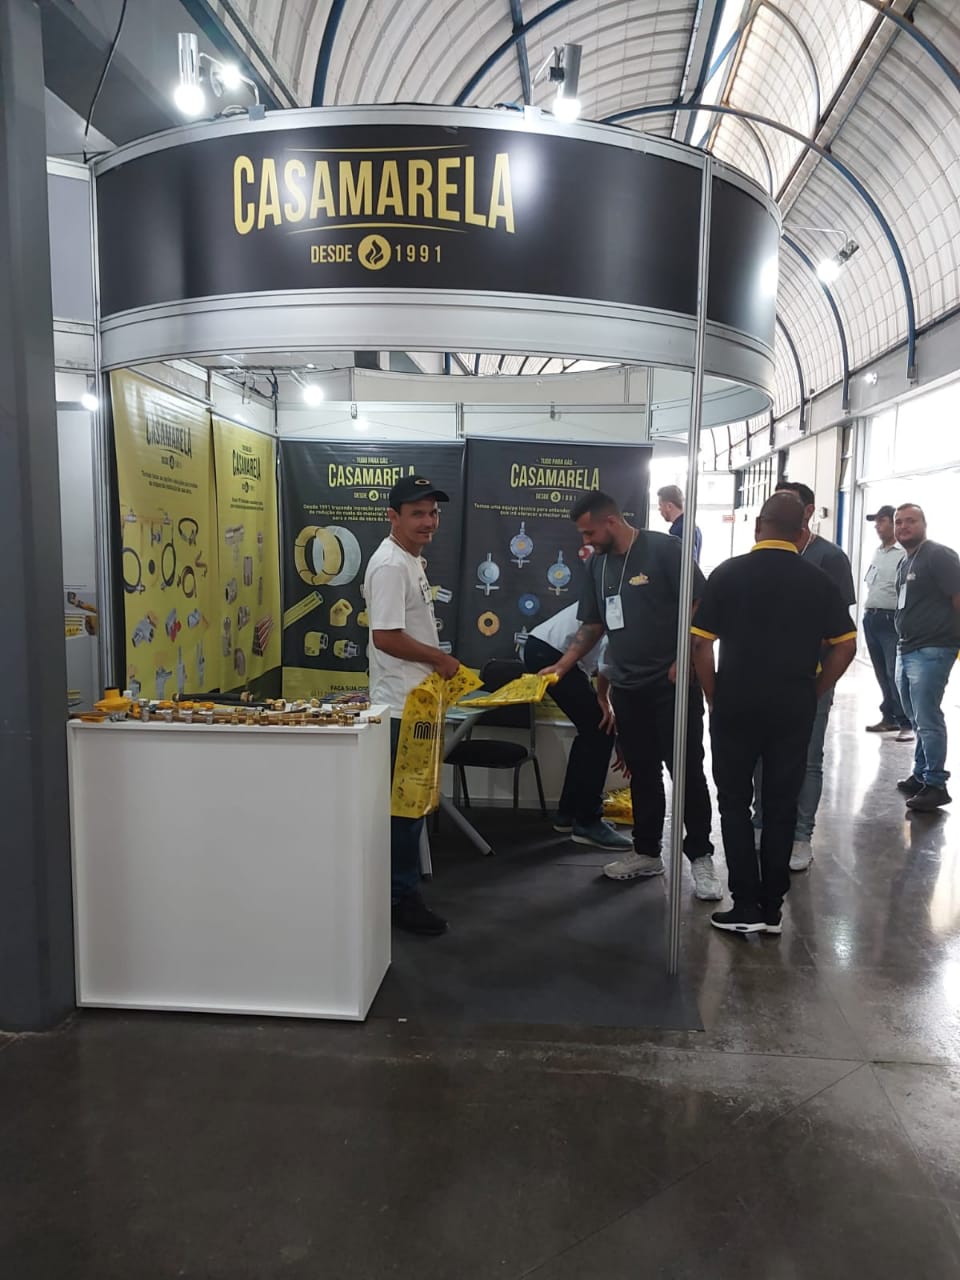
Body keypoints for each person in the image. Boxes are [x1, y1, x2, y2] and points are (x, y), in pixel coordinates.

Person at [538, 491, 721, 901]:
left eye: (589, 532)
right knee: (642, 772)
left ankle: (701, 857)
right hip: (628, 686)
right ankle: (647, 852)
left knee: (687, 772)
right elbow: (593, 625)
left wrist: (683, 654)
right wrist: (564, 665)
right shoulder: (597, 565)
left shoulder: (665, 549)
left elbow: (700, 602)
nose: (586, 541)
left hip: (673, 686)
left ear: (611, 521)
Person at [692, 493, 857, 934]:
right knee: (781, 804)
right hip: (793, 705)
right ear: (802, 533)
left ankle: (745, 903)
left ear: (757, 527)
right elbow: (846, 646)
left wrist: (713, 695)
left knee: (734, 803)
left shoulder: (727, 574)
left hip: (736, 703)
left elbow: (701, 644)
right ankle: (772, 909)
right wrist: (814, 690)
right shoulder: (819, 580)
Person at [364, 474, 461, 936]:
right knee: (403, 810)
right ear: (393, 516)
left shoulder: (409, 560)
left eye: (433, 512)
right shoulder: (390, 566)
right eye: (417, 513)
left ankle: (401, 890)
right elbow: (385, 637)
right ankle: (398, 899)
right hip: (401, 708)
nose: (429, 521)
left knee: (413, 803)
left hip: (417, 704)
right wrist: (439, 659)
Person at [753, 479, 856, 872]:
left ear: (807, 512)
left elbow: (840, 631)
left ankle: (800, 836)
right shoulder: (762, 555)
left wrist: (817, 682)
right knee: (762, 756)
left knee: (807, 758)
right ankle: (761, 823)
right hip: (764, 678)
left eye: (789, 504)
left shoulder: (829, 558)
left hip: (810, 677)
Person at [522, 602, 631, 852]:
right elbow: (608, 656)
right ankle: (587, 822)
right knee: (600, 729)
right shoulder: (630, 601)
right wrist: (603, 698)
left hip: (543, 647)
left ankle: (569, 814)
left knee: (593, 730)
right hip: (550, 650)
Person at [893, 503, 960, 812]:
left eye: (911, 521)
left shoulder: (938, 555)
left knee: (927, 716)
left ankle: (936, 784)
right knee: (915, 715)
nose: (903, 527)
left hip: (933, 649)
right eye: (899, 522)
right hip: (907, 647)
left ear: (924, 524)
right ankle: (921, 774)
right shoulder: (905, 560)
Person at [862, 504, 911, 739]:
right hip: (872, 618)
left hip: (891, 620)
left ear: (894, 524)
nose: (877, 526)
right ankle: (889, 717)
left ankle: (906, 722)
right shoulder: (879, 552)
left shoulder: (904, 554)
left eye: (881, 521)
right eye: (876, 522)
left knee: (894, 672)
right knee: (881, 672)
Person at [657, 484, 702, 563]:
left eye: (660, 505)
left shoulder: (681, 531)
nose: (659, 509)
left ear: (669, 506)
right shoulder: (692, 526)